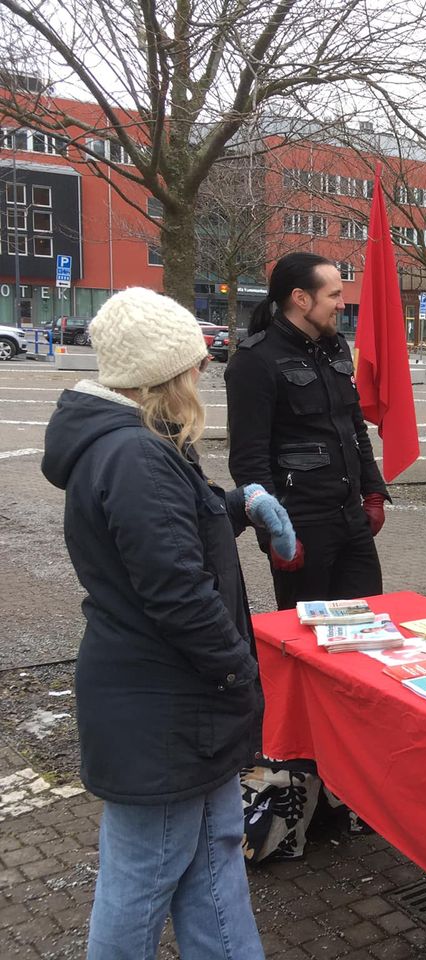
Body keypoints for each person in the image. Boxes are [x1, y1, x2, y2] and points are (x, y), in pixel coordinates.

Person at [41, 287, 299, 959]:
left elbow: (172, 539)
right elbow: (178, 593)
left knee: (213, 861)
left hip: (176, 703)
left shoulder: (139, 445)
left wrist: (238, 505)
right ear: (164, 372)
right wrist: (242, 676)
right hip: (163, 708)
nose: (204, 370)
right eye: (194, 361)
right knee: (142, 878)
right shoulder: (135, 455)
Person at [225, 252, 389, 610]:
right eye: (334, 295)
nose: (342, 304)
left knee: (367, 624)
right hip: (301, 526)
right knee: (307, 634)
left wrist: (374, 493)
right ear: (301, 298)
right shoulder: (254, 361)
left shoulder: (336, 347)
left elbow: (354, 427)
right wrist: (274, 533)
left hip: (351, 521)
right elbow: (248, 460)